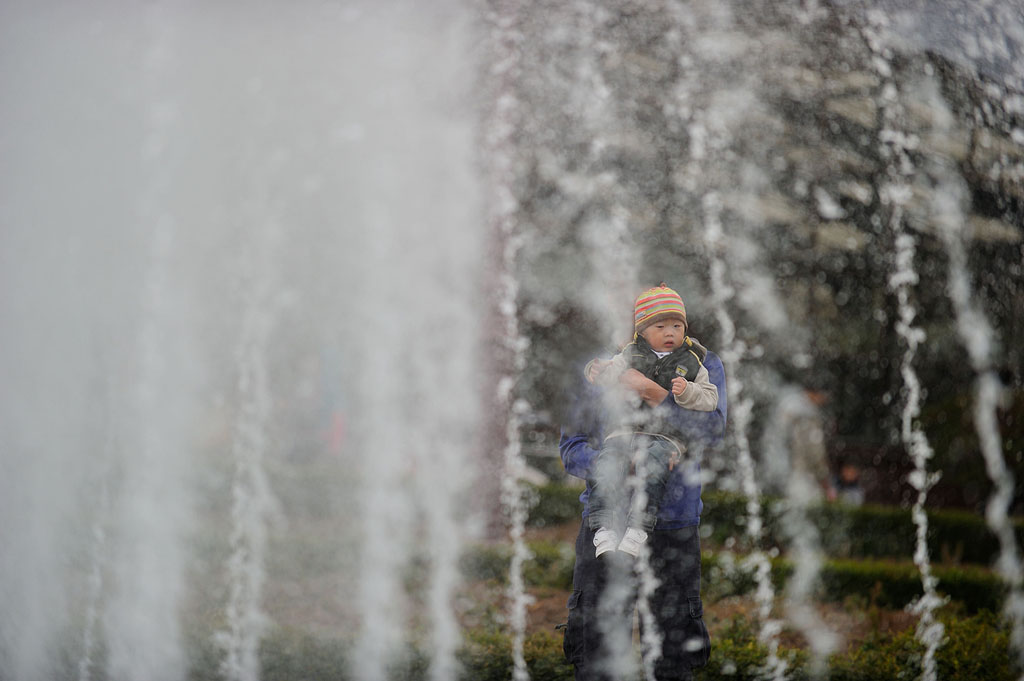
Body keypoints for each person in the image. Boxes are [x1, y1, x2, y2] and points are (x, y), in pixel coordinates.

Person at [560, 283, 728, 681]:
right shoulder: (601, 369)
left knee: (673, 654)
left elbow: (711, 432)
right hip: (606, 525)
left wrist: (653, 392)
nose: (667, 330)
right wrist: (615, 467)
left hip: (673, 526)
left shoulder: (702, 364)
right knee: (597, 654)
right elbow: (571, 447)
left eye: (674, 322)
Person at [582, 285, 719, 557]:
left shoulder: (695, 363)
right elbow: (606, 376)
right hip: (624, 433)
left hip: (666, 439)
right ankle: (603, 528)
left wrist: (686, 391)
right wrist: (595, 371)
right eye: (661, 326)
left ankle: (639, 528)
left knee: (654, 465)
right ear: (642, 330)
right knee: (607, 464)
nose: (670, 333)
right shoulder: (628, 354)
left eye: (677, 326)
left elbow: (710, 402)